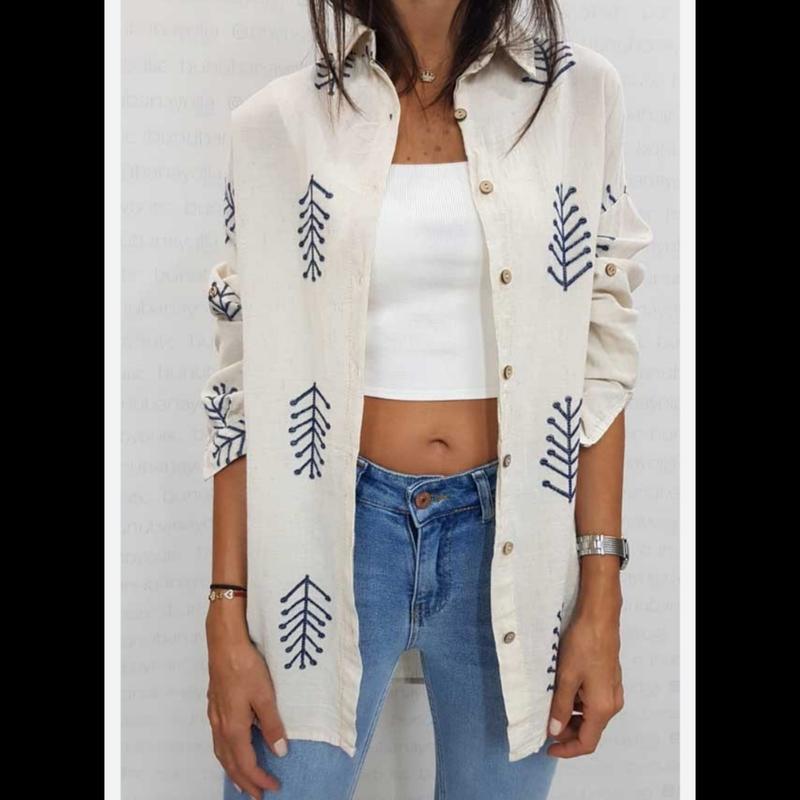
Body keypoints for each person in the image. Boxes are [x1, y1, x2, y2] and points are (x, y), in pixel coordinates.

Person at [201, 1, 653, 798]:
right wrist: (226, 613)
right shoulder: (277, 123)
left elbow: (601, 350)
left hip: (514, 541)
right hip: (327, 538)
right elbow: (241, 390)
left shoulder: (579, 96)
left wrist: (601, 595)